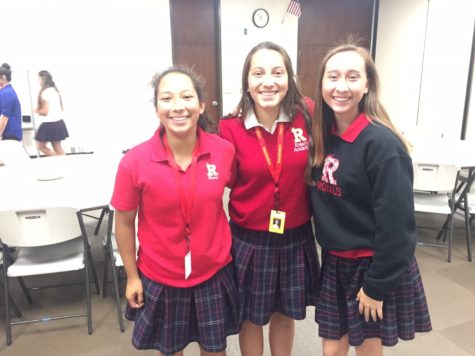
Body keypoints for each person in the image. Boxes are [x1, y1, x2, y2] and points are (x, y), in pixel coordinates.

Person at [309, 42, 432, 356]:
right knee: (332, 349)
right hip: (335, 262)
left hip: (371, 265)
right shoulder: (323, 135)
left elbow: (399, 229)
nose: (341, 86)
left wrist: (376, 286)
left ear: (366, 85)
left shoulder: (382, 145)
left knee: (366, 348)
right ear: (322, 83)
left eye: (352, 77)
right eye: (333, 77)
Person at [110, 66, 239, 356]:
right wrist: (132, 276)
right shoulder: (135, 162)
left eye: (186, 97)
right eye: (167, 99)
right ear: (156, 109)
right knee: (170, 350)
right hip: (160, 275)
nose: (178, 107)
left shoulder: (222, 151)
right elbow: (125, 223)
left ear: (201, 105)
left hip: (213, 272)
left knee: (215, 350)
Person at [219, 41, 320, 356]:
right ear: (246, 81)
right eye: (258, 73)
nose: (268, 81)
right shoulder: (229, 127)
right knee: (251, 317)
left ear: (289, 78)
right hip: (249, 240)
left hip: (296, 236)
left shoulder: (307, 115)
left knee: (284, 312)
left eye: (277, 72)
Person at [34, 70, 69, 156]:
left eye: (38, 78)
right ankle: (61, 160)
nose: (37, 80)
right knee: (57, 147)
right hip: (58, 122)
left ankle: (59, 158)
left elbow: (45, 111)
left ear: (43, 79)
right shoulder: (54, 90)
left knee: (41, 146)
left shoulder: (45, 92)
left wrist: (36, 110)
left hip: (50, 123)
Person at [0, 63, 22, 141]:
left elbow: (4, 117)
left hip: (10, 135)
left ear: (3, 77)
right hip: (8, 134)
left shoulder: (7, 93)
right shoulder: (5, 92)